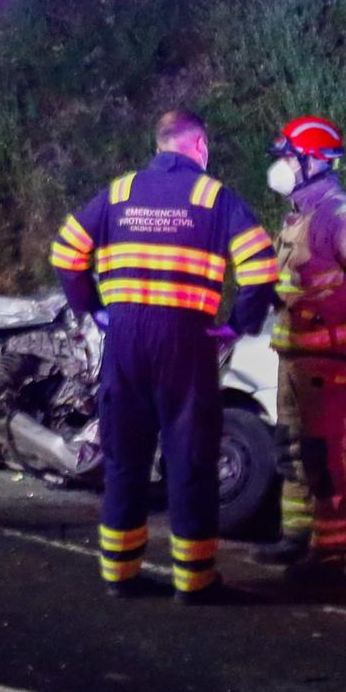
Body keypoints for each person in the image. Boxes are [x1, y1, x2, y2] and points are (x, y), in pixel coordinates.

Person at [51, 109, 278, 599]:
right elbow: (260, 267)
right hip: (186, 339)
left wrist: (91, 307)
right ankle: (194, 582)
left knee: (124, 455)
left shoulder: (119, 193)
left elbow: (66, 252)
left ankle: (119, 574)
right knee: (191, 457)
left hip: (126, 339)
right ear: (198, 145)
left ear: (159, 145)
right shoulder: (212, 196)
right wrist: (240, 325)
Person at [253, 116, 346, 576]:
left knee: (322, 451)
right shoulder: (302, 214)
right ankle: (297, 534)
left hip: (325, 358)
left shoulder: (340, 214)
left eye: (289, 157)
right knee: (290, 446)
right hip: (294, 353)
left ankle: (331, 548)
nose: (282, 166)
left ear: (315, 161)